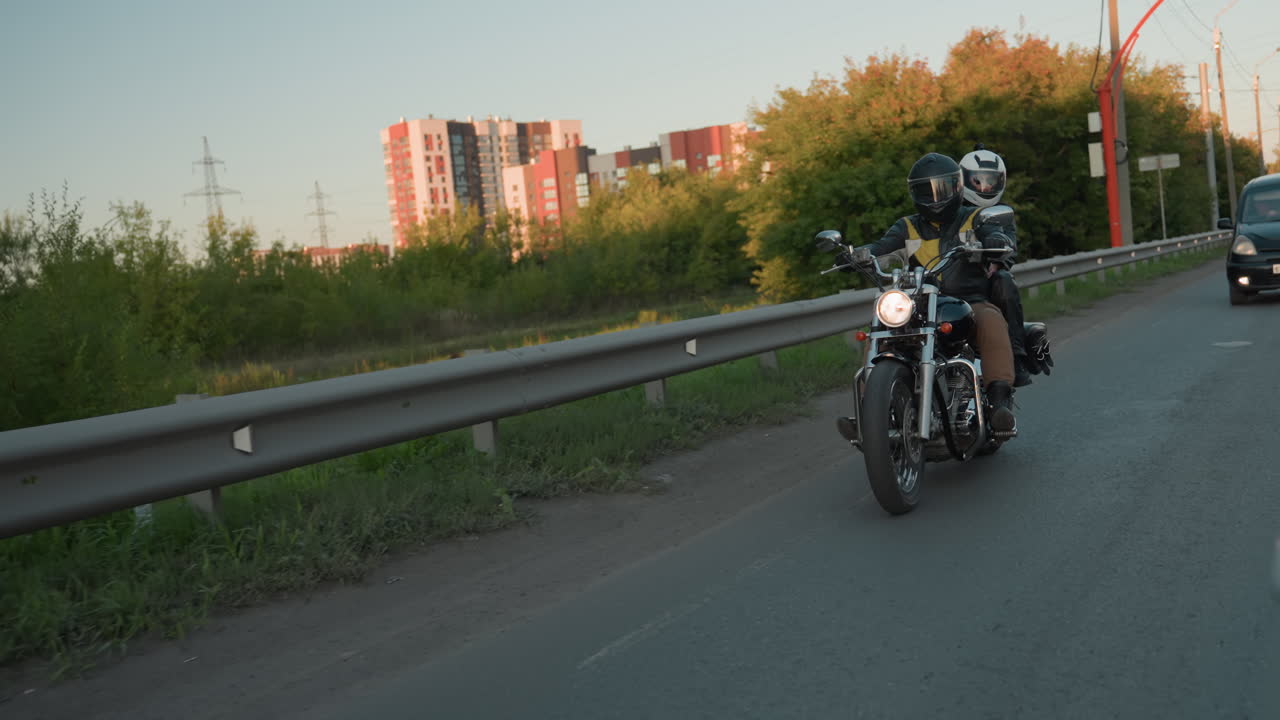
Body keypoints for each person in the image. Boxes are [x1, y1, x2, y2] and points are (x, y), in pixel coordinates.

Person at [838, 152, 1018, 432]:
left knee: (991, 320)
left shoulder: (975, 218)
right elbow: (881, 248)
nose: (935, 198)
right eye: (926, 191)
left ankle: (999, 402)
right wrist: (856, 256)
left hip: (968, 301)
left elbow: (995, 234)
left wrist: (995, 239)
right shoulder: (906, 227)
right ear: (914, 193)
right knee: (880, 330)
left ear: (957, 187)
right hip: (918, 305)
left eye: (942, 189)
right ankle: (869, 412)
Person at [958, 145, 1035, 387]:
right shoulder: (950, 210)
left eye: (991, 181)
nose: (985, 187)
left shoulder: (1002, 214)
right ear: (963, 179)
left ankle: (1017, 356)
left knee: (1004, 280)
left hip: (984, 282)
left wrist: (998, 254)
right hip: (949, 278)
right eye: (978, 181)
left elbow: (1010, 248)